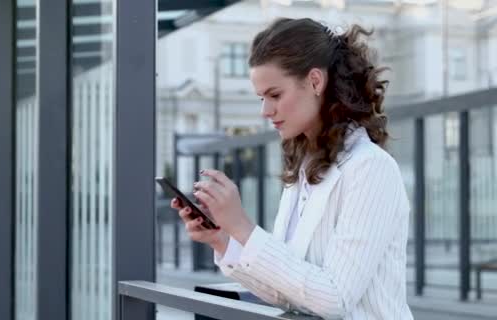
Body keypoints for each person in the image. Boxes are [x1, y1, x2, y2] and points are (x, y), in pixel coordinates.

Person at [171, 17, 413, 319]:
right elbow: (287, 294)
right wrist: (223, 237)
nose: (265, 110)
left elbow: (334, 299)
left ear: (314, 81)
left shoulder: (371, 169)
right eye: (262, 98)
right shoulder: (304, 170)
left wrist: (243, 226)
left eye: (275, 95)